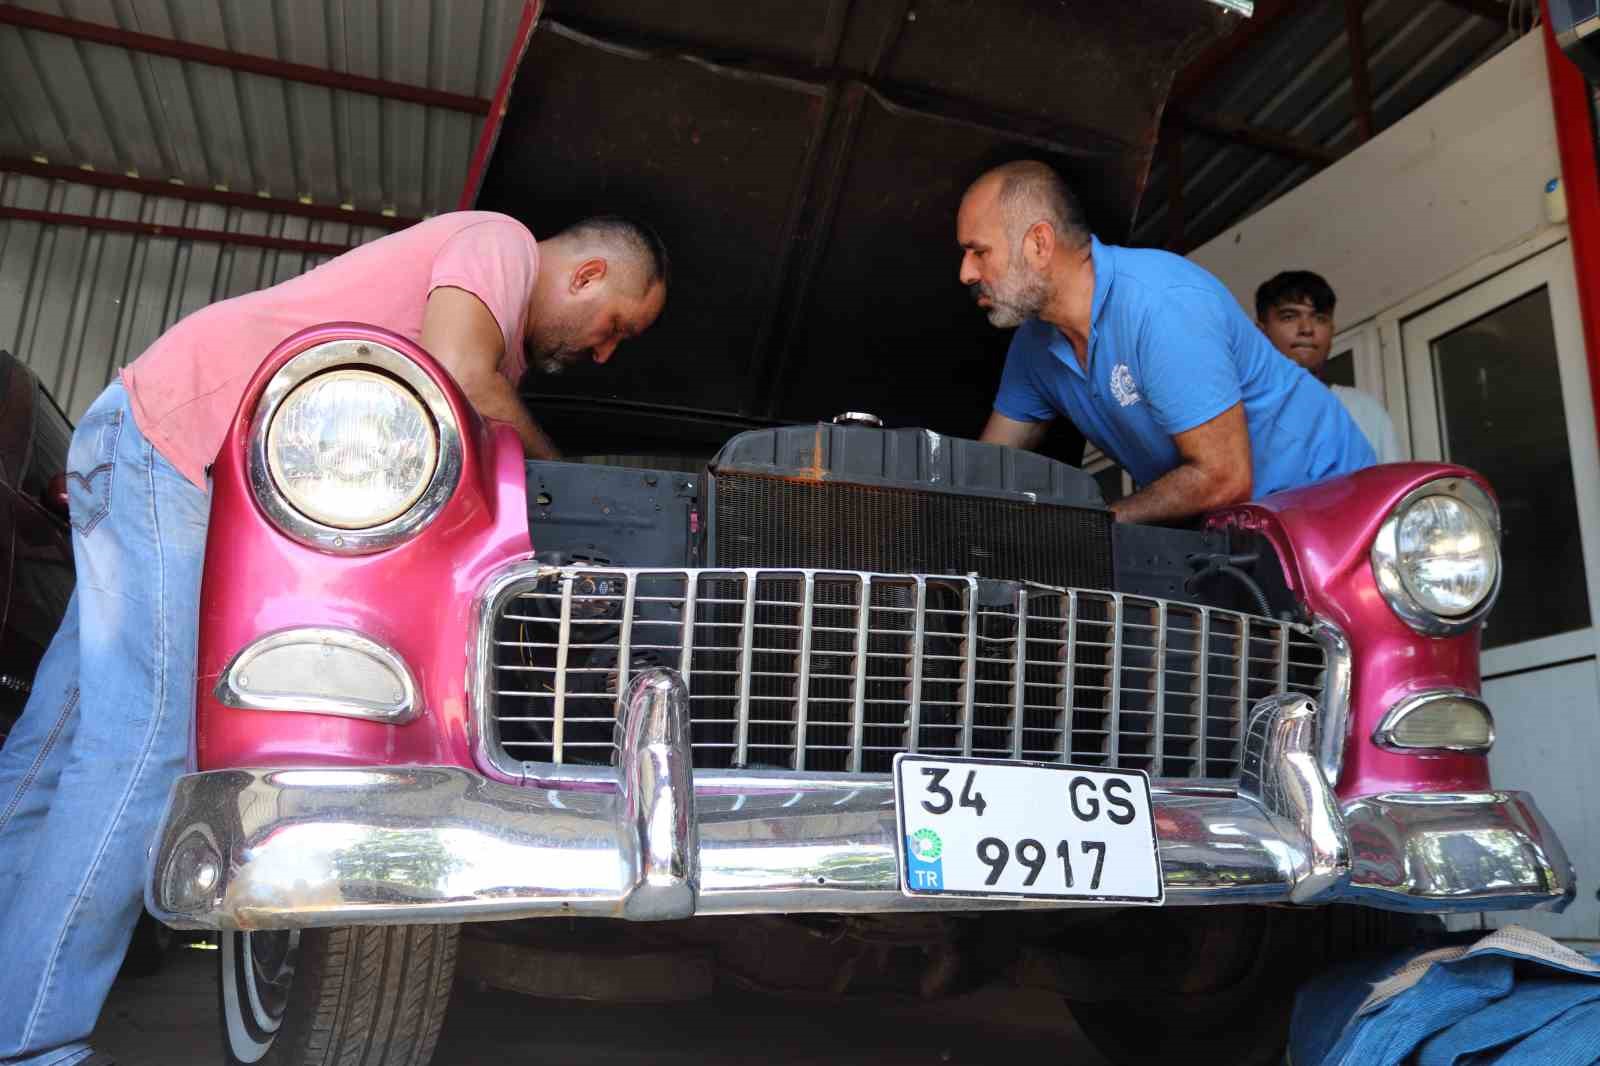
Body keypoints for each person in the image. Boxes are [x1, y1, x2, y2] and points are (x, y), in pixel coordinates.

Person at [0, 210, 668, 1066]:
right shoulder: (501, 243)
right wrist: (563, 488)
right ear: (584, 276)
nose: (606, 352)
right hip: (172, 448)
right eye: (615, 327)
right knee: (147, 749)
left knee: (53, 753)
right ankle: (32, 1043)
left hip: (138, 430)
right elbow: (459, 372)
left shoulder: (496, 331)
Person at [960, 160, 1375, 525]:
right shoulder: (1034, 348)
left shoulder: (1161, 304)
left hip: (1329, 503)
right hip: (1234, 521)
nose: (966, 273)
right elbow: (986, 471)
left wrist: (1099, 523)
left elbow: (1224, 477)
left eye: (979, 251)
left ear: (1039, 243)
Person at [1255, 270, 1403, 463]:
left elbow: (1395, 490)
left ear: (1332, 331)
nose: (1307, 329)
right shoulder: (1241, 415)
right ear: (1261, 332)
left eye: (1319, 318)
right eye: (1289, 317)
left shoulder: (1362, 411)